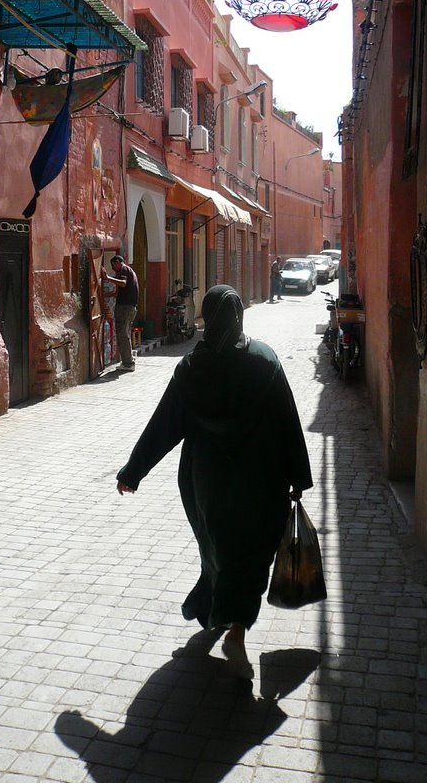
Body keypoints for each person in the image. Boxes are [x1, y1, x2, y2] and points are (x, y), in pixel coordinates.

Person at [115, 284, 312, 680]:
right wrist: (298, 477)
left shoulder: (191, 369)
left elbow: (163, 425)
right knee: (252, 556)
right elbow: (287, 420)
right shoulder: (264, 361)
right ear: (238, 315)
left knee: (217, 547)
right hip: (262, 481)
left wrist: (132, 472)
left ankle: (216, 610)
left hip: (206, 484)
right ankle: (235, 632)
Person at [101, 254, 139, 371]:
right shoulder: (128, 271)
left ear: (118, 262)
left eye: (113, 266)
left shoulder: (124, 269)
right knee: (125, 333)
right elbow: (118, 292)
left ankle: (128, 363)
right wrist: (105, 295)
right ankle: (128, 360)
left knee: (122, 334)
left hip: (125, 307)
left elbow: (123, 283)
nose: (113, 269)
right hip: (129, 307)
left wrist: (107, 278)